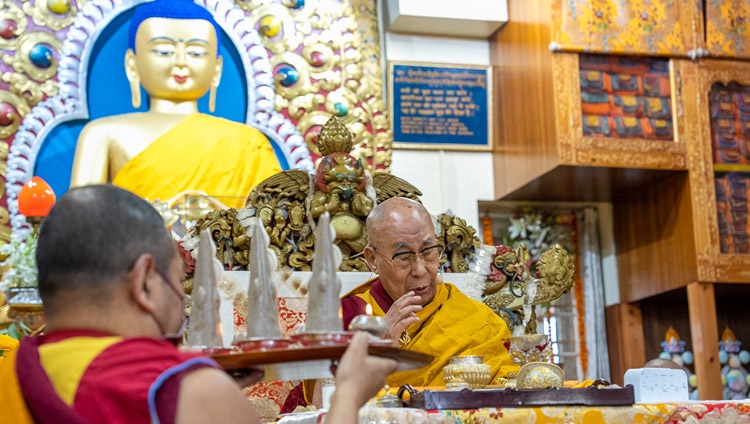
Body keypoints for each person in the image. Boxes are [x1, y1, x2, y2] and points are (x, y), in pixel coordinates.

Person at [2, 185, 396, 423]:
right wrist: (348, 396)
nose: (184, 303)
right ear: (143, 281)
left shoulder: (9, 374)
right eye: (178, 282)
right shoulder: (186, 389)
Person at [70, 0, 281, 209]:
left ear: (217, 69)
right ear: (132, 64)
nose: (181, 61)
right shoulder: (103, 133)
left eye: (196, 53)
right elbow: (81, 220)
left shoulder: (248, 143)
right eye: (164, 51)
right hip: (137, 242)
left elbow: (274, 220)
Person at [341, 197, 519, 387]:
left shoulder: (479, 320)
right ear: (372, 259)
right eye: (402, 257)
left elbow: (510, 388)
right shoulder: (348, 316)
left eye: (428, 252)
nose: (420, 270)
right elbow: (326, 404)